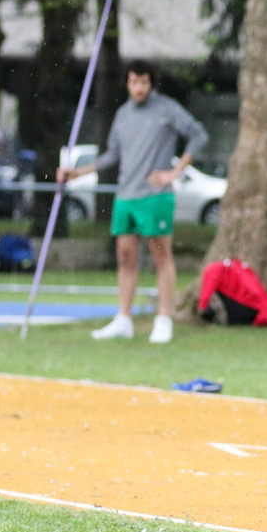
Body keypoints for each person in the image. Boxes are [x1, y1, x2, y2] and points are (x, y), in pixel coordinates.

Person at [57, 60, 208, 345]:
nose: (139, 88)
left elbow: (198, 135)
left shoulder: (167, 109)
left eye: (144, 83)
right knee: (125, 258)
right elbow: (112, 155)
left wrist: (175, 171)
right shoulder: (123, 114)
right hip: (126, 195)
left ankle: (164, 319)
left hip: (155, 195)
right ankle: (123, 319)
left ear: (151, 83)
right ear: (127, 83)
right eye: (134, 82)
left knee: (161, 257)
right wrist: (77, 172)